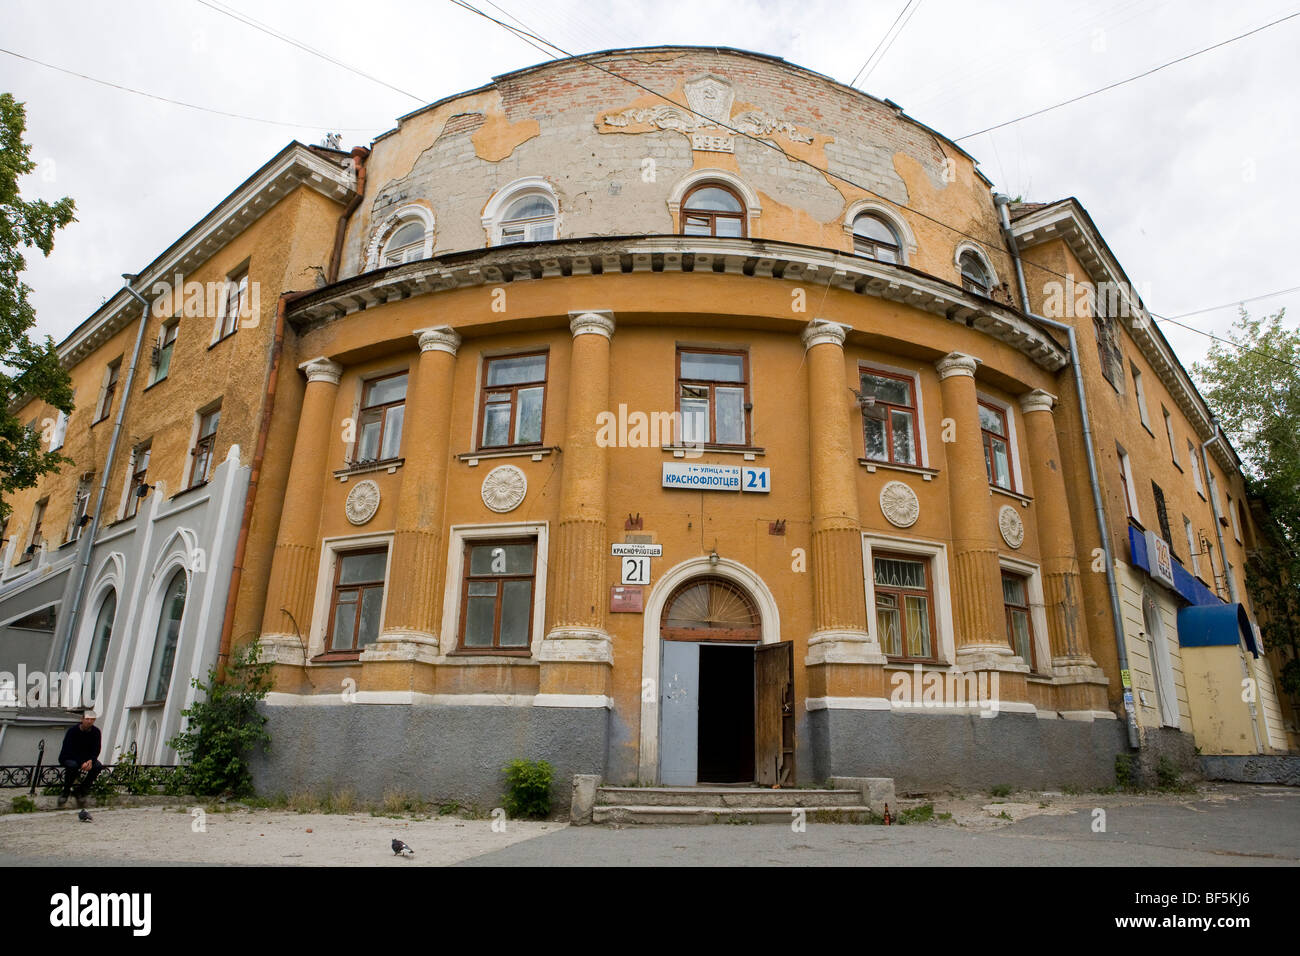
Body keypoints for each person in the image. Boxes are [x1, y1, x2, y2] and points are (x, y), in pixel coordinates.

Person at [58, 710, 102, 808]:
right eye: (87, 719)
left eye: (92, 719)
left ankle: (81, 791)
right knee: (72, 766)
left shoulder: (96, 732)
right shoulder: (72, 731)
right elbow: (69, 749)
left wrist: (91, 760)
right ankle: (66, 791)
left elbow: (96, 749)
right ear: (82, 719)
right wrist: (81, 762)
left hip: (87, 759)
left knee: (98, 766)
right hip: (69, 757)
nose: (89, 721)